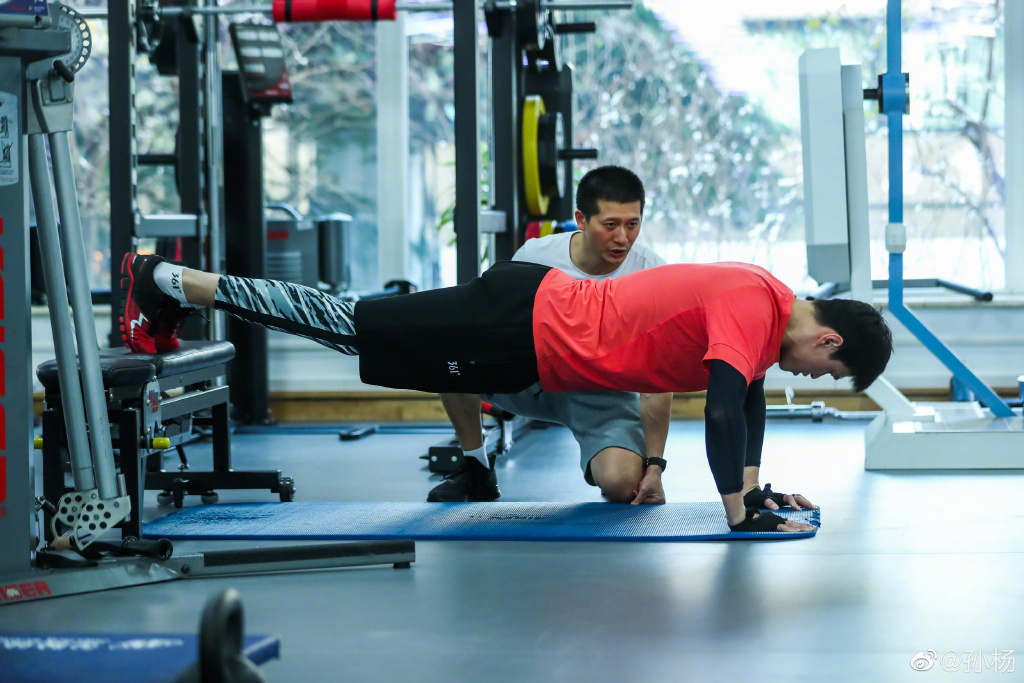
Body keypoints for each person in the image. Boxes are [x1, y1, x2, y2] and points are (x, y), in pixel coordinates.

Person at [119, 244, 892, 534]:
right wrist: (736, 515)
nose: (812, 377)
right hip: (514, 326)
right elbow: (722, 404)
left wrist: (753, 494)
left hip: (530, 342)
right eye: (829, 372)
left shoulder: (767, 304)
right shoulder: (754, 302)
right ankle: (165, 278)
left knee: (351, 329)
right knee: (350, 323)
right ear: (829, 340)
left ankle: (175, 286)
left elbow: (746, 400)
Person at [430, 166, 673, 508]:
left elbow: (658, 379)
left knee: (621, 486)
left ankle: (619, 461)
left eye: (632, 224)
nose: (622, 237)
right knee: (450, 350)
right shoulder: (535, 256)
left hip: (602, 395)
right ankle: (476, 468)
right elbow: (494, 325)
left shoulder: (652, 274)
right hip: (533, 377)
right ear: (581, 219)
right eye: (611, 225)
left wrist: (655, 468)